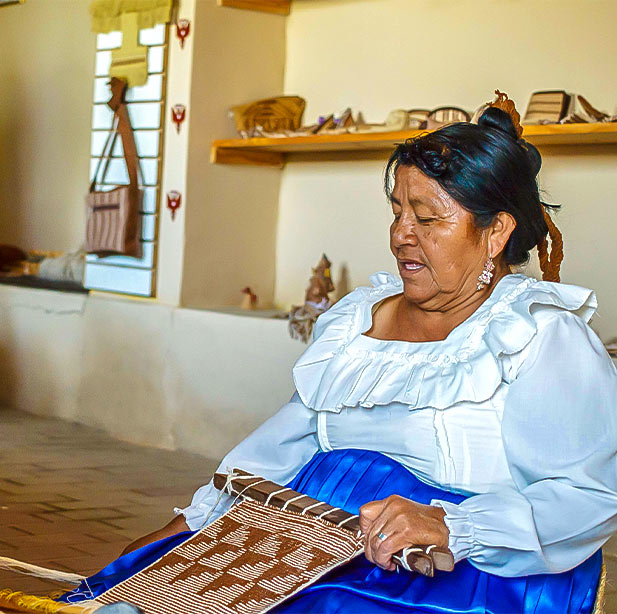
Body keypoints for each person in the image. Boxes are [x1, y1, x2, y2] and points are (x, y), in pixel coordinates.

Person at [61, 99, 617, 613]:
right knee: (128, 598)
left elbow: (587, 496)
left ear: (496, 231)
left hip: (457, 573)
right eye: (397, 211)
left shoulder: (539, 337)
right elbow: (281, 446)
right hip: (308, 548)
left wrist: (454, 525)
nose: (401, 235)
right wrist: (193, 523)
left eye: (427, 219)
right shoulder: (361, 317)